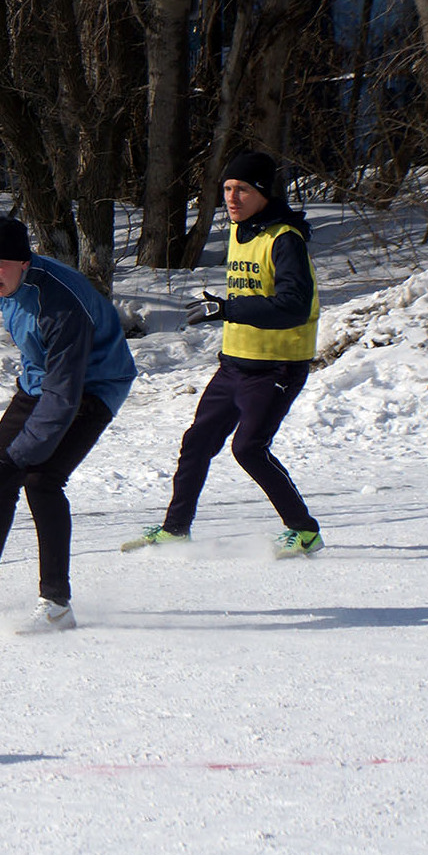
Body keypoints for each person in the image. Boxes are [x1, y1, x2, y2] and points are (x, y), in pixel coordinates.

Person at [0, 216, 138, 632]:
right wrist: (5, 462)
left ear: (24, 262)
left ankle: (57, 605)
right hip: (42, 381)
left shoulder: (59, 302)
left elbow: (65, 395)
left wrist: (18, 457)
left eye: (0, 263)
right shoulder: (9, 284)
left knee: (41, 480)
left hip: (93, 385)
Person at [122, 150, 323, 558]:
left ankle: (304, 532)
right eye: (227, 188)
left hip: (277, 367)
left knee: (249, 448)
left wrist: (229, 308)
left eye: (242, 190)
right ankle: (175, 529)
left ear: (264, 193)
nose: (232, 198)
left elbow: (293, 306)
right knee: (196, 443)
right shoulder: (240, 229)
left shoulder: (285, 239)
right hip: (234, 364)